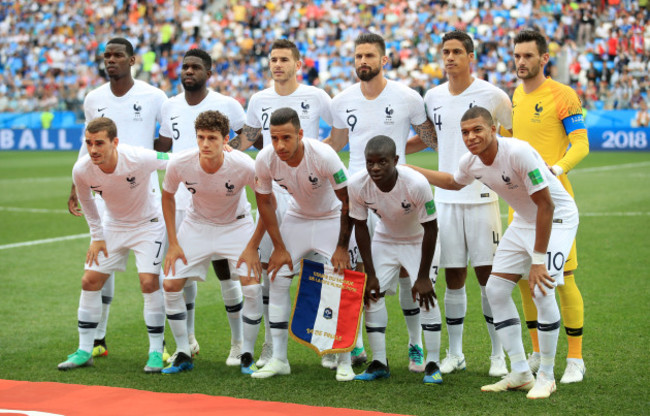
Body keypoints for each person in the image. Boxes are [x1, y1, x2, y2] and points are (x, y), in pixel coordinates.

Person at [412, 106, 579, 399]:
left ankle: (547, 375)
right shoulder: (471, 162)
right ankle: (520, 372)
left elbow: (547, 206)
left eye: (477, 129)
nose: (471, 137)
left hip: (558, 218)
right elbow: (453, 182)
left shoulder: (518, 152)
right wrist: (413, 171)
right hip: (526, 220)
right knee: (496, 290)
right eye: (465, 132)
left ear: (493, 129)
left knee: (542, 291)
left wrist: (538, 261)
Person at [327, 32, 437, 372]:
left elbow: (431, 137)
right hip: (358, 192)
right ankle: (356, 344)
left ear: (384, 60)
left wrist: (399, 157)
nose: (363, 61)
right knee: (359, 274)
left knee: (407, 273)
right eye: (358, 56)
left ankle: (415, 345)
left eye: (369, 56)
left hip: (397, 190)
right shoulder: (341, 100)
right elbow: (336, 141)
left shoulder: (407, 96)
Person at [405, 30, 512, 377]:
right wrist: (395, 150)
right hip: (446, 200)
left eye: (456, 52)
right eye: (445, 52)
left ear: (470, 57)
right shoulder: (432, 96)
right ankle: (456, 353)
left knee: (488, 279)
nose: (449, 57)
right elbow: (432, 140)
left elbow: (510, 140)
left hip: (483, 198)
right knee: (452, 277)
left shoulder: (493, 96)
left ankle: (499, 355)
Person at [228, 39, 335, 368]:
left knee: (323, 272)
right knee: (271, 271)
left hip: (314, 195)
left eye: (284, 59)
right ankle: (270, 348)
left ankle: (335, 344)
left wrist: (317, 161)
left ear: (298, 64)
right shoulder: (259, 99)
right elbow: (247, 136)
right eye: (273, 59)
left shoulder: (317, 96)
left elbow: (340, 134)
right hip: (275, 194)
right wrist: (222, 152)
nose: (277, 65)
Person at [66, 37, 168, 360]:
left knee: (154, 279)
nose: (111, 60)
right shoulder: (93, 98)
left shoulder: (154, 96)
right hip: (106, 196)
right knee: (97, 270)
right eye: (106, 55)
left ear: (132, 60)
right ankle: (96, 339)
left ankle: (167, 345)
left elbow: (166, 142)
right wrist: (75, 184)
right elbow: (89, 142)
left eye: (117, 55)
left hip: (143, 192)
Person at [156, 48, 248, 367]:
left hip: (221, 200)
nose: (188, 71)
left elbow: (249, 134)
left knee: (226, 271)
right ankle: (189, 341)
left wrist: (225, 159)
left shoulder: (226, 104)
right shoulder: (169, 105)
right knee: (183, 272)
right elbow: (165, 144)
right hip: (183, 200)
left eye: (195, 67)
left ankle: (239, 345)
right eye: (184, 67)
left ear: (209, 73)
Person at [58, 117, 170, 373]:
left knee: (149, 282)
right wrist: (97, 236)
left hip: (148, 225)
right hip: (112, 226)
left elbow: (174, 161)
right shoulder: (82, 169)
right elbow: (87, 202)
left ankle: (155, 352)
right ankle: (85, 350)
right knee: (89, 281)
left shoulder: (138, 157)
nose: (93, 149)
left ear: (114, 142)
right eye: (89, 143)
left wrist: (218, 151)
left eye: (99, 143)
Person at [251, 107, 355, 382]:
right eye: (274, 138)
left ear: (300, 134)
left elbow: (347, 202)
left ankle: (344, 359)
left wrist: (342, 247)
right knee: (278, 276)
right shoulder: (265, 159)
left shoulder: (323, 155)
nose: (279, 145)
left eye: (286, 137)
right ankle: (279, 359)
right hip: (298, 217)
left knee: (338, 280)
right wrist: (279, 247)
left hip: (332, 217)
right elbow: (263, 201)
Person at [160, 110, 264, 375]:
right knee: (170, 283)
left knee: (252, 287)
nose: (205, 144)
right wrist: (173, 243)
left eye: (212, 138)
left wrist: (253, 246)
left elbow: (266, 201)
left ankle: (245, 353)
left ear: (226, 139)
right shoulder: (181, 163)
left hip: (237, 225)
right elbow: (168, 196)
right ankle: (183, 352)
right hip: (197, 225)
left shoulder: (243, 164)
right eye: (201, 137)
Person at [512, 29, 589, 384]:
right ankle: (539, 352)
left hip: (555, 204)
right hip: (521, 205)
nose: (521, 62)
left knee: (562, 280)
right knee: (528, 283)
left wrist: (555, 170)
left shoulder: (563, 94)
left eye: (528, 56)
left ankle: (575, 359)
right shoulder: (514, 95)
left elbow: (581, 144)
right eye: (517, 56)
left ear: (544, 58)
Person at [349, 136, 442, 385]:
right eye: (370, 163)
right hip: (385, 238)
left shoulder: (416, 184)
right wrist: (371, 273)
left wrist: (422, 277)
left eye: (382, 162)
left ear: (396, 161)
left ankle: (433, 363)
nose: (375, 168)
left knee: (426, 296)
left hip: (419, 240)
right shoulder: (358, 184)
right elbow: (359, 228)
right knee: (372, 295)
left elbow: (432, 229)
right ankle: (379, 362)